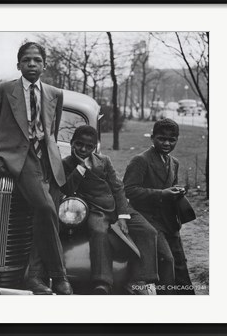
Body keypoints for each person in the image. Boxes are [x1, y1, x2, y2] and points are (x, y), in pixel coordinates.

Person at [0, 42, 72, 295]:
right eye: (27, 60)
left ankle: (34, 277)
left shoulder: (55, 93)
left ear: (44, 64)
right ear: (18, 64)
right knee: (45, 207)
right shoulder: (2, 90)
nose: (32, 64)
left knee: (45, 217)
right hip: (19, 158)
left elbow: (51, 131)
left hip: (49, 162)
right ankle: (59, 276)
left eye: (37, 60)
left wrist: (51, 156)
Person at [60, 125, 159, 294]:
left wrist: (122, 215)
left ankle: (140, 278)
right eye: (79, 144)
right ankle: (102, 281)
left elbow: (118, 188)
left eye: (88, 146)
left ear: (95, 147)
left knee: (148, 231)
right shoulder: (67, 164)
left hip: (116, 206)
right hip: (94, 209)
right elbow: (67, 190)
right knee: (98, 232)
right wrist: (81, 168)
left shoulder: (104, 161)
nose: (83, 149)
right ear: (72, 143)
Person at [123, 118, 195, 295]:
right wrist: (162, 194)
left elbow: (170, 186)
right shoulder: (140, 160)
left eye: (172, 140)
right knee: (166, 259)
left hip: (169, 220)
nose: (167, 143)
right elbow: (129, 191)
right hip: (146, 219)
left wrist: (178, 192)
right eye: (162, 139)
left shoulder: (174, 163)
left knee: (179, 262)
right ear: (152, 138)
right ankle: (166, 302)